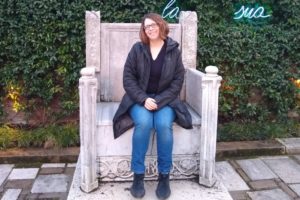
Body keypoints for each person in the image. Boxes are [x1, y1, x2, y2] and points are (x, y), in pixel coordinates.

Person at [113, 13, 192, 199]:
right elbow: (128, 78)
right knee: (144, 123)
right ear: (143, 30)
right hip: (139, 100)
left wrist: (161, 100)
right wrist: (143, 99)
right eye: (146, 26)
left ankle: (164, 176)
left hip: (166, 100)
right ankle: (138, 176)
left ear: (160, 25)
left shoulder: (173, 50)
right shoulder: (137, 49)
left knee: (164, 125)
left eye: (153, 25)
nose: (150, 28)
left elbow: (177, 80)